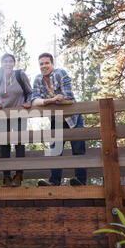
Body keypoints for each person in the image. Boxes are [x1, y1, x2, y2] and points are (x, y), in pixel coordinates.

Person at [32, 52, 87, 186]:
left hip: (72, 118)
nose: (44, 66)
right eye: (41, 64)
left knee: (78, 149)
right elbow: (34, 100)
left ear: (52, 64)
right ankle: (54, 182)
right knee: (55, 151)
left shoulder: (60, 73)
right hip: (56, 119)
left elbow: (67, 98)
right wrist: (52, 100)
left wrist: (45, 101)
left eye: (46, 63)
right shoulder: (38, 79)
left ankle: (80, 181)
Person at [0, 53, 33, 187]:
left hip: (19, 113)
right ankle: (6, 177)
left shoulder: (20, 75)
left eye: (11, 61)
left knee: (19, 143)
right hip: (4, 115)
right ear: (1, 64)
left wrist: (28, 102)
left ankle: (19, 175)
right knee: (4, 145)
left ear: (14, 64)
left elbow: (30, 92)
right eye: (5, 61)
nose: (8, 63)